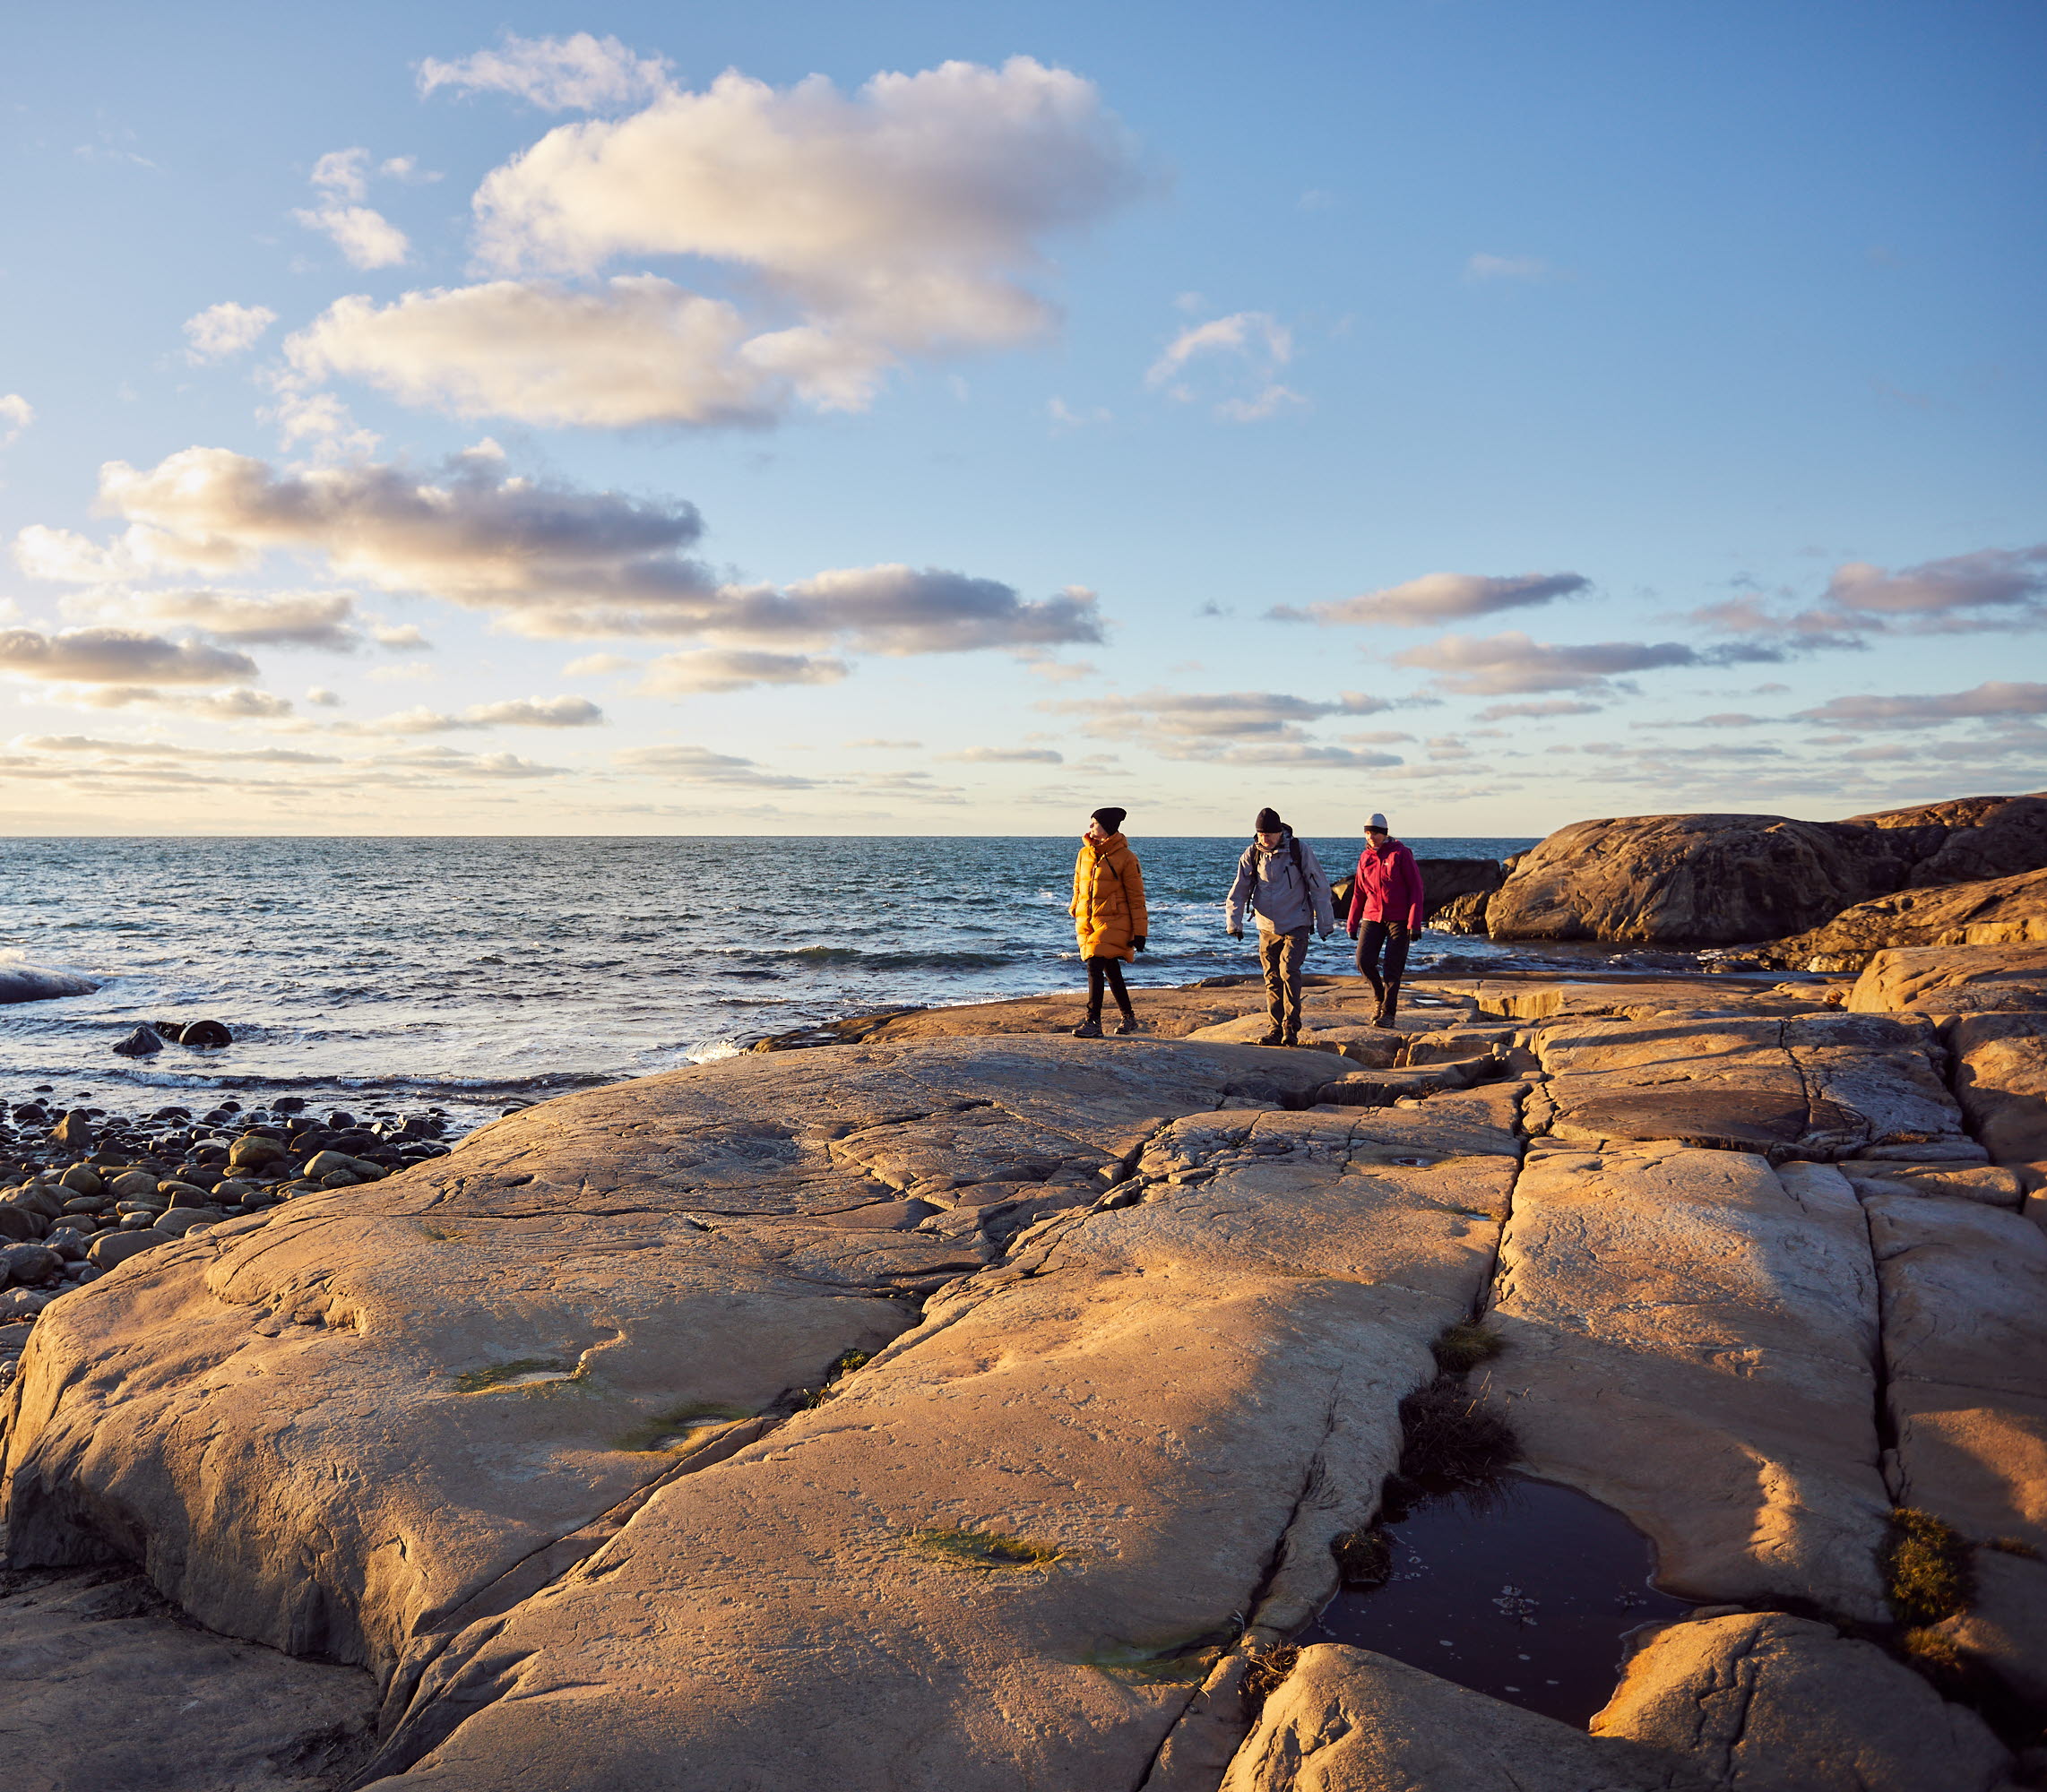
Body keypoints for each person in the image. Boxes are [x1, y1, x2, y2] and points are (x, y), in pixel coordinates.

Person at [1224, 806, 1334, 1046]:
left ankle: (1291, 1027)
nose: (1265, 839)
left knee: (1288, 970)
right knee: (1272, 978)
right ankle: (1275, 1029)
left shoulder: (1299, 850)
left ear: (1279, 832)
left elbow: (1320, 887)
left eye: (1269, 834)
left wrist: (1325, 924)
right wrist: (1234, 923)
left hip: (1297, 922)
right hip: (1266, 926)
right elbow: (1239, 889)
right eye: (1261, 834)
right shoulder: (1252, 854)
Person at [1069, 806, 1147, 1038]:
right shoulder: (1084, 854)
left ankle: (1093, 1022)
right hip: (1089, 919)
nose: (1091, 827)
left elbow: (1136, 897)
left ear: (1107, 828)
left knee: (1094, 961)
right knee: (1110, 968)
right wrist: (1075, 907)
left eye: (1095, 824)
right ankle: (1129, 1017)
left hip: (1115, 920)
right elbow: (1077, 883)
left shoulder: (1126, 858)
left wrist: (1140, 932)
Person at [1346, 811, 1424, 1028]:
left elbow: (1416, 889)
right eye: (1368, 833)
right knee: (1363, 961)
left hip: (1398, 919)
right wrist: (1352, 923)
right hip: (1372, 917)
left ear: (1385, 833)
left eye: (1376, 833)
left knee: (1392, 967)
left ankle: (1389, 1013)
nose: (1372, 837)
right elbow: (1359, 893)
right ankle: (1379, 997)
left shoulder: (1400, 854)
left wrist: (1414, 923)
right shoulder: (1365, 858)